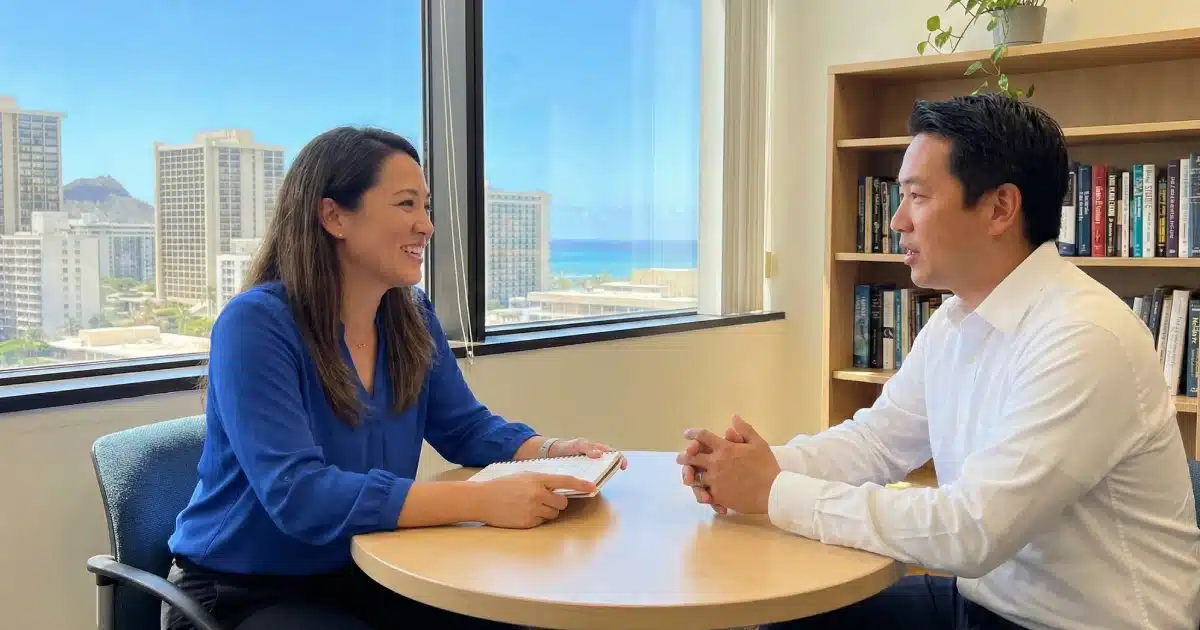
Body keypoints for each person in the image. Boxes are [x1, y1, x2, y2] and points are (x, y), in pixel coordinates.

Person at [677, 93, 1200, 629]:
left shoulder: (1085, 338)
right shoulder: (954, 318)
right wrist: (751, 469)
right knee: (778, 618)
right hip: (981, 602)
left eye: (917, 196)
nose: (897, 221)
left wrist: (774, 490)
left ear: (1000, 208)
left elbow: (972, 531)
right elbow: (876, 442)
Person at [163, 126, 626, 630]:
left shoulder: (411, 317)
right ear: (334, 215)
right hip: (241, 593)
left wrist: (553, 449)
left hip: (371, 570)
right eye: (406, 205)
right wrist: (481, 500)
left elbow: (465, 428)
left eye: (426, 207)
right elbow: (300, 496)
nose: (426, 226)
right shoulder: (256, 324)